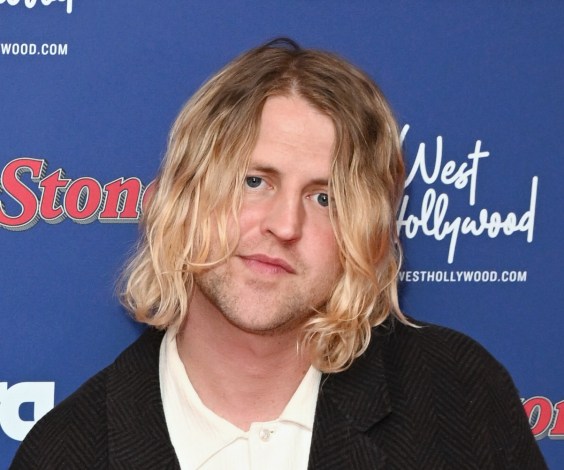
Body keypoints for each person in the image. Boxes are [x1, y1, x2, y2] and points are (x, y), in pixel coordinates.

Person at [11, 38, 546, 469]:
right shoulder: (63, 454)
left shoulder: (459, 397)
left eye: (324, 198)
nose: (285, 225)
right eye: (254, 181)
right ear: (185, 194)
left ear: (364, 232)